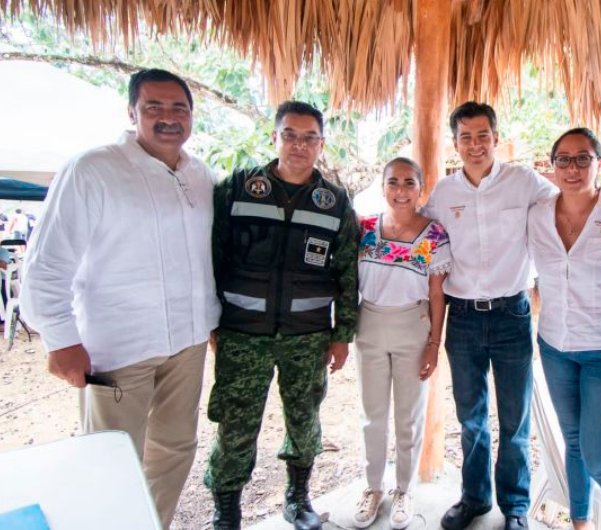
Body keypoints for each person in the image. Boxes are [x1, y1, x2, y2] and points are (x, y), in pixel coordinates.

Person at [20, 68, 220, 529]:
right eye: (154, 107)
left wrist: (212, 320)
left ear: (191, 116)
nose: (168, 118)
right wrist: (60, 339)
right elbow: (46, 264)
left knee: (174, 450)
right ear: (132, 112)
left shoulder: (201, 175)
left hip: (187, 342)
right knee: (110, 460)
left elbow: (207, 254)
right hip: (118, 347)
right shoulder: (93, 169)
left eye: (179, 108)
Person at [204, 100, 359, 530]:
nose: (299, 145)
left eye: (309, 138)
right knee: (235, 424)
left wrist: (343, 333)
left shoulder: (334, 202)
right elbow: (211, 257)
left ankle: (298, 497)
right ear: (274, 137)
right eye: (290, 135)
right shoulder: (238, 188)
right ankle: (227, 509)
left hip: (307, 336)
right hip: (243, 333)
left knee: (305, 420)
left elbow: (348, 271)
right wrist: (210, 320)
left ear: (321, 144)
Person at [424, 102, 556, 530]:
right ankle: (475, 498)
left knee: (515, 419)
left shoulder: (524, 182)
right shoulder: (444, 193)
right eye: (466, 137)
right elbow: (421, 235)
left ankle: (515, 506)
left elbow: (566, 207)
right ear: (455, 143)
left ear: (496, 138)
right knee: (471, 418)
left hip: (511, 314)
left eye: (483, 135)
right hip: (462, 317)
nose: (475, 144)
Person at [528, 128, 601, 530]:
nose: (572, 168)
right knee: (573, 443)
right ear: (552, 165)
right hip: (555, 346)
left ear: (600, 164)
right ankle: (581, 523)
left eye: (583, 158)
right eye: (563, 159)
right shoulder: (537, 215)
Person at [352, 158, 450, 530]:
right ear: (382, 187)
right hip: (370, 325)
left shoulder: (434, 235)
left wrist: (433, 344)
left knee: (409, 416)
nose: (401, 191)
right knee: (372, 415)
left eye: (410, 183)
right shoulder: (364, 230)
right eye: (393, 182)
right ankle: (373, 487)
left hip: (413, 327)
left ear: (421, 189)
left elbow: (437, 294)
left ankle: (404, 489)